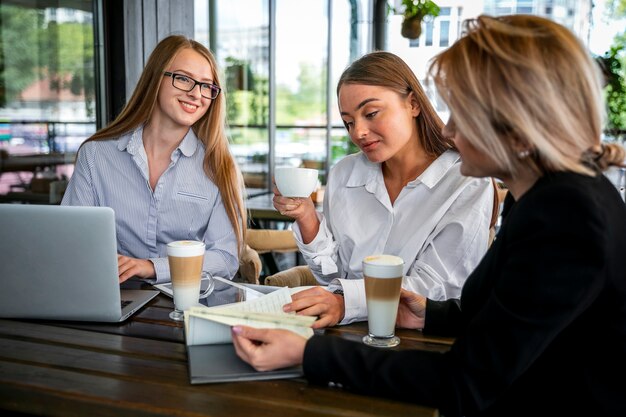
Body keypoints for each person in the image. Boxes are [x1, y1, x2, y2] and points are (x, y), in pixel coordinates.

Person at [231, 14, 626, 417]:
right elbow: (510, 321)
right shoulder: (541, 199)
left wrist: (310, 355)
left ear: (516, 125)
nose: (450, 131)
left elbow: (466, 380)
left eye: (461, 113)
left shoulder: (566, 216)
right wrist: (431, 315)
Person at [274, 51, 494, 328]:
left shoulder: (467, 180)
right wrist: (307, 218)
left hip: (421, 339)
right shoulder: (344, 175)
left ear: (413, 104)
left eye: (371, 113)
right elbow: (333, 279)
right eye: (349, 122)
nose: (359, 132)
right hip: (346, 331)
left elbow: (437, 288)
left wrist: (345, 303)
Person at [62, 35, 246, 284]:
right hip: (113, 296)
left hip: (186, 305)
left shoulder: (219, 166)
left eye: (206, 86)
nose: (196, 94)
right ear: (155, 79)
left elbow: (225, 258)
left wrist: (151, 267)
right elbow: (71, 241)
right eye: (183, 79)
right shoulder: (96, 155)